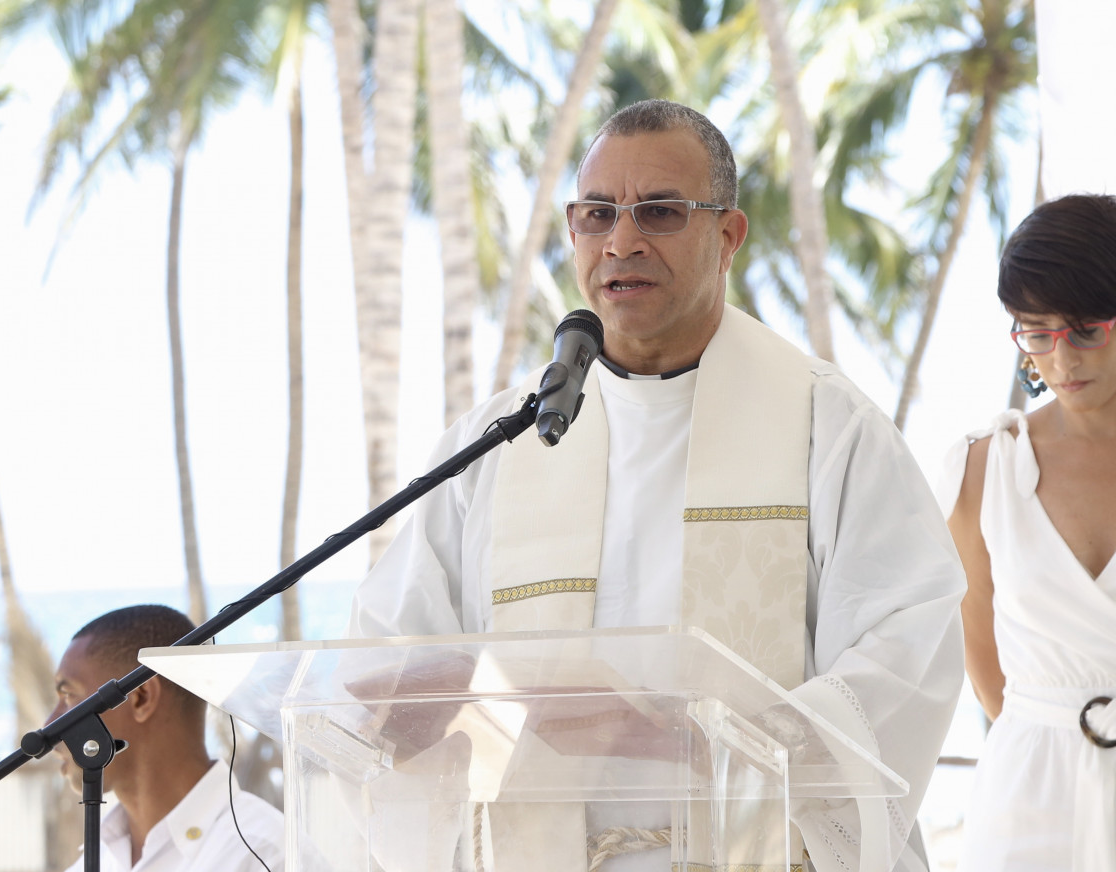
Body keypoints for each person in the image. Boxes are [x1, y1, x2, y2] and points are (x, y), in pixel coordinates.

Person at [349, 99, 966, 871]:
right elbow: (386, 664)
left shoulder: (828, 428)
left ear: (728, 236)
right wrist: (436, 703)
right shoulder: (498, 445)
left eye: (661, 212)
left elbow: (907, 653)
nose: (622, 241)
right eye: (598, 214)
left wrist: (681, 740)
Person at [942, 193, 1116, 871]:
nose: (1062, 360)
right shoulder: (984, 470)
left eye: (1084, 330)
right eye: (1037, 333)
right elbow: (987, 672)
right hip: (1027, 808)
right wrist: (1051, 736)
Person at [48, 605, 288, 872]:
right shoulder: (93, 863)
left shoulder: (265, 855)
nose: (50, 725)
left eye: (69, 696)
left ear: (141, 698)